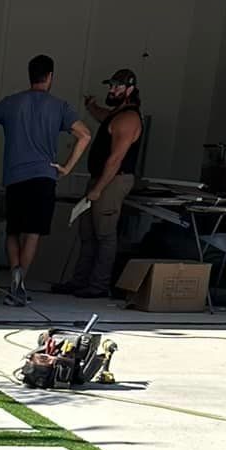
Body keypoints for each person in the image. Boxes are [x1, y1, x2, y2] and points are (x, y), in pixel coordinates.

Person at [0, 56, 91, 307]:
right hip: (44, 177)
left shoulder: (11, 103)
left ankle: (14, 274)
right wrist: (66, 167)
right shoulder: (60, 106)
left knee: (13, 230)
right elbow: (85, 135)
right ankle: (20, 282)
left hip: (15, 177)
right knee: (33, 233)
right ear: (50, 77)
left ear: (30, 75)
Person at [64, 67, 145, 298]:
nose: (112, 89)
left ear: (130, 89)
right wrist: (91, 107)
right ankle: (80, 282)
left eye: (117, 86)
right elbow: (103, 116)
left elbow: (116, 159)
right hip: (100, 179)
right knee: (87, 233)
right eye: (110, 85)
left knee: (105, 234)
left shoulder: (129, 117)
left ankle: (98, 286)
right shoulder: (116, 113)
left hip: (112, 181)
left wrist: (98, 189)